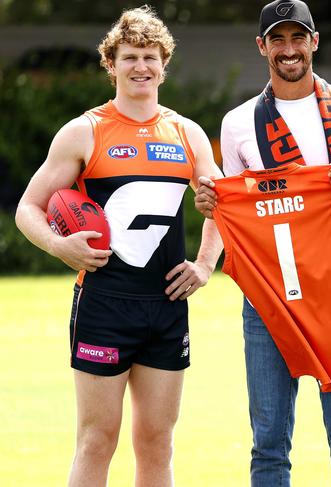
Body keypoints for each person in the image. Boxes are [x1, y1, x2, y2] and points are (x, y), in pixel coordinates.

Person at [14, 6, 223, 486]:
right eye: (129, 56)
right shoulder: (84, 131)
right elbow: (28, 208)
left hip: (167, 306)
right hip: (104, 303)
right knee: (96, 439)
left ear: (164, 64)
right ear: (111, 64)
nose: (140, 67)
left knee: (157, 442)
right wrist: (59, 246)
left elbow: (223, 206)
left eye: (150, 56)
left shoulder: (187, 133)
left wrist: (206, 264)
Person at [194, 1, 331, 484]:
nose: (288, 49)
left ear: (314, 42)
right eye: (277, 39)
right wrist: (212, 205)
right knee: (269, 446)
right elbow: (238, 211)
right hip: (268, 298)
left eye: (297, 37)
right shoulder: (239, 122)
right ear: (261, 47)